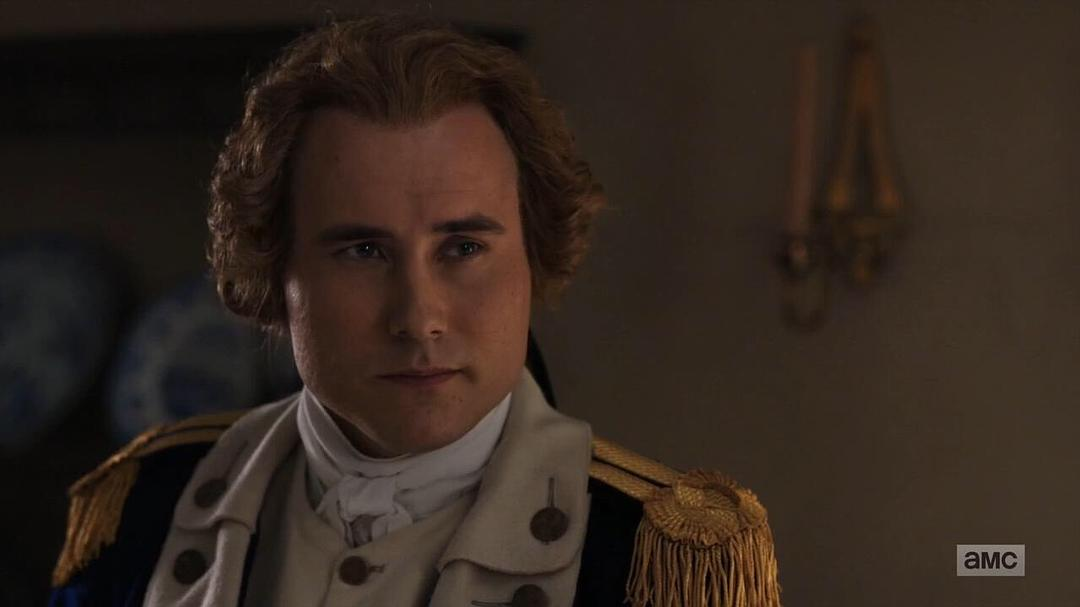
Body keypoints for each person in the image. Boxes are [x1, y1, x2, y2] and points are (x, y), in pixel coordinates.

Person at [49, 14, 782, 607]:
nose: (419, 317)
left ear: (535, 254)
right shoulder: (146, 503)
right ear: (276, 270)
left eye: (463, 247)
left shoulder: (657, 559)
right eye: (364, 250)